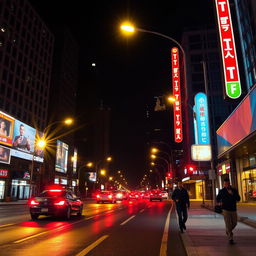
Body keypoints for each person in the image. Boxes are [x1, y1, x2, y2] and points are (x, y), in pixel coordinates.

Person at [216, 178, 240, 244]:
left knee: (235, 223)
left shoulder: (234, 190)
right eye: (225, 184)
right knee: (228, 224)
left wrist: (232, 194)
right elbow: (218, 198)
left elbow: (238, 199)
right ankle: (230, 239)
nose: (226, 185)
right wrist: (219, 203)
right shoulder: (222, 191)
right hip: (225, 209)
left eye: (228, 183)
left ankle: (228, 231)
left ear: (230, 184)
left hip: (233, 209)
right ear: (224, 184)